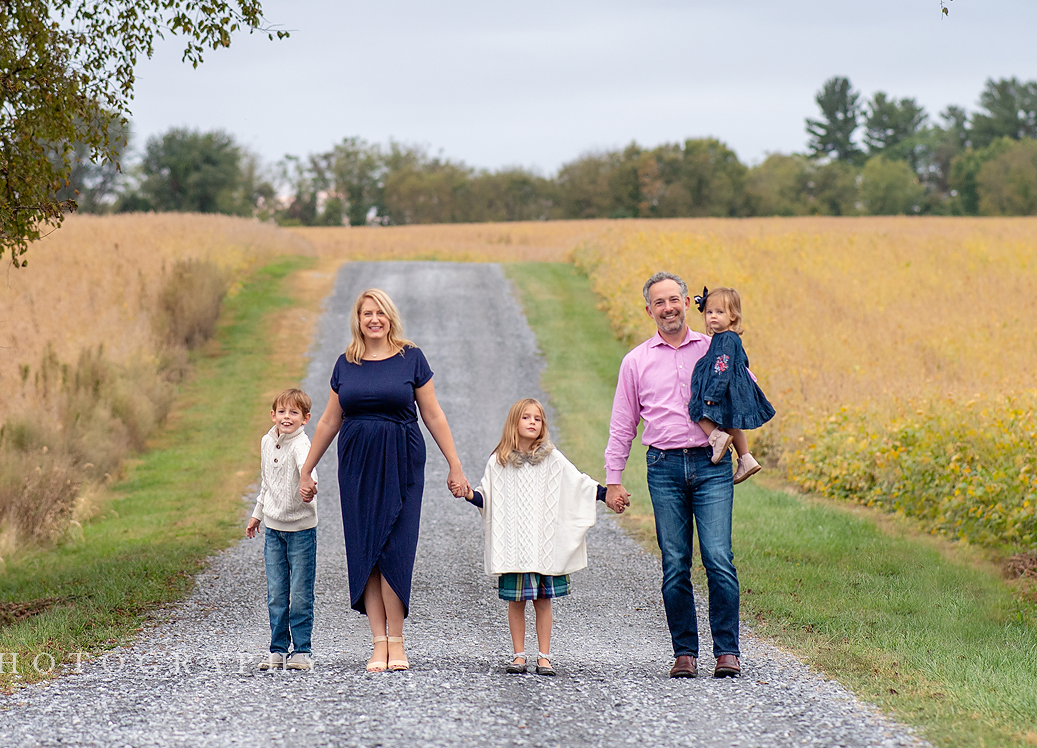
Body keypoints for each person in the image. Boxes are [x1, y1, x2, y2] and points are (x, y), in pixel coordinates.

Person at [298, 289, 470, 672]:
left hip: (403, 458)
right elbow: (328, 421)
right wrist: (307, 468)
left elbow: (434, 414)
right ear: (358, 320)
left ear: (390, 317)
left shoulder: (412, 358)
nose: (374, 319)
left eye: (380, 313)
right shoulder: (346, 363)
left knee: (397, 547)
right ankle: (378, 642)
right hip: (357, 463)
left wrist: (454, 465)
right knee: (367, 550)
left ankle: (398, 640)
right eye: (366, 314)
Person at [603, 271, 743, 679]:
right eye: (658, 303)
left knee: (718, 557)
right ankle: (684, 652)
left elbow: (744, 388)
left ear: (687, 302)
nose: (667, 308)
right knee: (676, 561)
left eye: (673, 300)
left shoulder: (716, 348)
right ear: (650, 310)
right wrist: (614, 478)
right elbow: (623, 424)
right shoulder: (637, 360)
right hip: (663, 467)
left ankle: (727, 652)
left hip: (710, 463)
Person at [456, 398, 626, 675]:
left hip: (542, 547)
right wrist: (468, 494)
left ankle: (544, 656)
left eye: (537, 418)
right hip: (515, 547)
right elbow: (487, 498)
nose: (533, 422)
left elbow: (578, 483)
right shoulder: (498, 462)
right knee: (516, 601)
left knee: (543, 602)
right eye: (526, 417)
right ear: (514, 422)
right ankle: (519, 655)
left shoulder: (552, 459)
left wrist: (606, 494)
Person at [245, 387, 318, 671]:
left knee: (300, 592)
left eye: (294, 413)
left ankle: (301, 650)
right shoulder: (266, 441)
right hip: (274, 531)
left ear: (305, 418)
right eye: (282, 412)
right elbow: (268, 482)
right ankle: (277, 649)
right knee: (277, 592)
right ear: (272, 415)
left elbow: (308, 471)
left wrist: (309, 487)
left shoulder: (302, 445)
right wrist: (257, 514)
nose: (287, 417)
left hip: (301, 531)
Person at [689, 286, 776, 484]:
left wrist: (713, 394)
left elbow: (722, 366)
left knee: (696, 409)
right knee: (731, 422)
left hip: (722, 390)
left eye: (720, 312)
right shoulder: (727, 338)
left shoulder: (726, 339)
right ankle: (746, 458)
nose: (713, 317)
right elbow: (742, 361)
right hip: (731, 389)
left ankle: (716, 438)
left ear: (733, 316)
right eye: (709, 312)